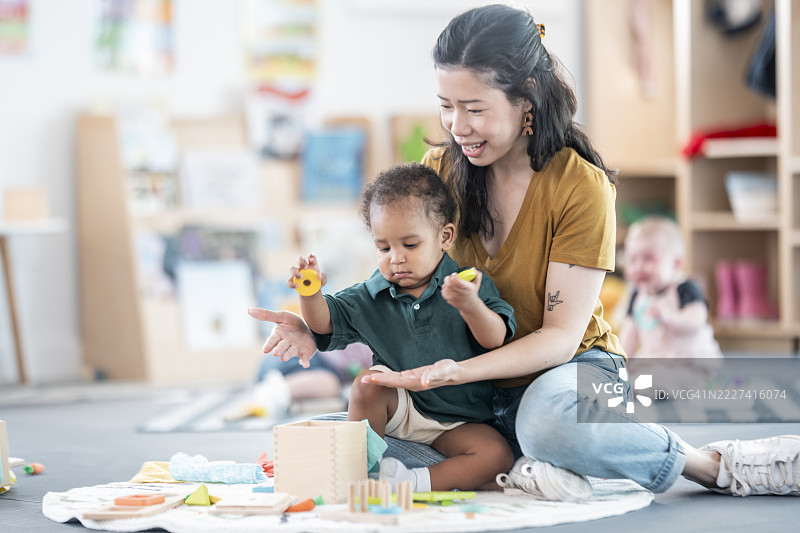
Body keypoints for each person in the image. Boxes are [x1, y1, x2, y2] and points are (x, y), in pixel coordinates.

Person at [249, 4, 800, 498]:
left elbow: (560, 338)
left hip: (572, 372)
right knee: (343, 439)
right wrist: (317, 324)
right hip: (472, 391)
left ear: (526, 97)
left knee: (546, 421)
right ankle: (530, 470)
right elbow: (399, 273)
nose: (457, 127)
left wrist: (451, 374)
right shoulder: (437, 171)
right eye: (446, 106)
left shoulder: (579, 185)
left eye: (475, 109)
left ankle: (711, 464)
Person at [285, 162, 518, 492]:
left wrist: (470, 305)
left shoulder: (469, 285)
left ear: (444, 237)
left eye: (410, 245)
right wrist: (310, 293)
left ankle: (412, 483)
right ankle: (360, 474)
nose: (396, 258)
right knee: (367, 383)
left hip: (459, 421)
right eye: (383, 248)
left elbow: (495, 340)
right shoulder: (370, 294)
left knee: (497, 456)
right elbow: (323, 322)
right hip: (401, 409)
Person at [618, 216, 722, 391]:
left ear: (676, 264)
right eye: (633, 259)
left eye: (648, 259)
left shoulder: (685, 288)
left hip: (689, 361)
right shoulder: (637, 295)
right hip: (657, 359)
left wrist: (668, 317)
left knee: (661, 380)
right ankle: (628, 384)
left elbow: (696, 321)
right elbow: (629, 334)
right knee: (629, 371)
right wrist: (619, 364)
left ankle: (640, 389)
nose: (638, 267)